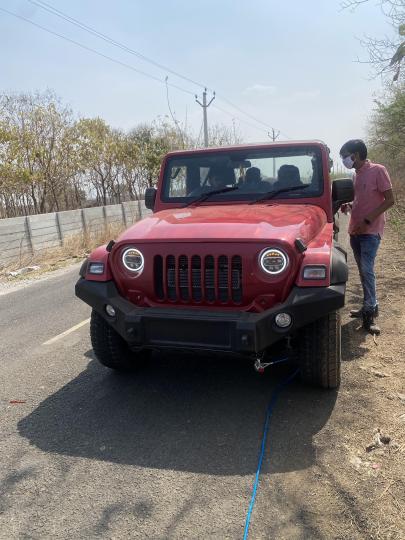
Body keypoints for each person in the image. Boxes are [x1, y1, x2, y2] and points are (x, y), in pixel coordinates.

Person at [339, 139, 395, 335]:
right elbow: (361, 200)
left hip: (371, 231)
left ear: (356, 154)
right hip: (356, 230)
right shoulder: (356, 175)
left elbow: (390, 200)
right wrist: (350, 207)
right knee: (363, 272)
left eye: (345, 156)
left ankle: (370, 313)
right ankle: (368, 304)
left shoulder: (378, 170)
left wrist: (369, 219)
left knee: (367, 269)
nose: (344, 160)